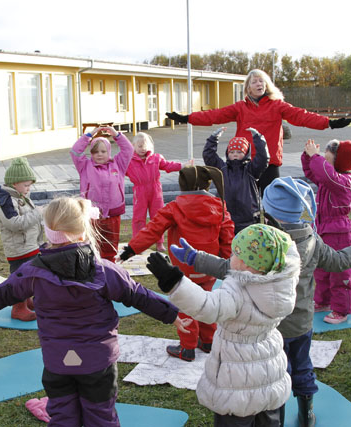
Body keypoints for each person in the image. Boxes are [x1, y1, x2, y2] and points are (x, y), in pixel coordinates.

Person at [0, 196, 187, 426]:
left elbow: (6, 291)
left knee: (63, 416)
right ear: (84, 231)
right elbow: (137, 294)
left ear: (48, 232)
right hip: (98, 362)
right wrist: (171, 314)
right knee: (101, 414)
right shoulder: (105, 270)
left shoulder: (31, 271)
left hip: (58, 362)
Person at [148, 224, 300, 426]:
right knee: (268, 416)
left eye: (236, 253)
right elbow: (228, 267)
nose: (231, 257)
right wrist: (196, 258)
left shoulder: (238, 292)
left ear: (247, 265)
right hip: (269, 368)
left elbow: (208, 306)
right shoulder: (277, 284)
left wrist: (175, 282)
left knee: (236, 416)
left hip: (236, 377)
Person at [260, 176, 351, 427]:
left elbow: (233, 269)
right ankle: (306, 415)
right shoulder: (312, 240)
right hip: (302, 324)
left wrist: (198, 260)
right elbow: (339, 261)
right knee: (302, 368)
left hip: (272, 326)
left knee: (274, 375)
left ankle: (275, 420)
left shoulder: (263, 244)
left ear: (269, 214)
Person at [166, 69, 351, 193]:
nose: (258, 83)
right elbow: (214, 115)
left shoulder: (277, 106)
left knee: (272, 206)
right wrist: (187, 118)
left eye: (261, 80)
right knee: (245, 206)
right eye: (254, 81)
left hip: (269, 164)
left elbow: (302, 116)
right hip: (244, 164)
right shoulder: (240, 108)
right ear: (248, 87)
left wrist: (329, 123)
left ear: (267, 85)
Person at [119, 165, 234, 361]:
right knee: (206, 300)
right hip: (209, 267)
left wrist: (131, 249)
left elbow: (152, 230)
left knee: (187, 304)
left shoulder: (174, 207)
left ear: (183, 186)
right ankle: (208, 341)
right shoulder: (219, 207)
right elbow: (228, 238)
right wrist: (225, 264)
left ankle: (187, 347)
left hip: (183, 269)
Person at [302, 139, 351, 324]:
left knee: (339, 273)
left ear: (340, 160)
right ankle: (323, 301)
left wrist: (316, 157)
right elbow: (313, 172)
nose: (324, 157)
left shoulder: (345, 180)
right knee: (321, 269)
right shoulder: (330, 176)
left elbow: (325, 174)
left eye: (329, 154)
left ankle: (341, 310)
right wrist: (308, 156)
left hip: (340, 233)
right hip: (323, 229)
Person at [0, 157, 44, 321]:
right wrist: (37, 213)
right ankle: (18, 308)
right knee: (20, 279)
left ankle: (26, 301)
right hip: (19, 248)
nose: (28, 188)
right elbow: (14, 223)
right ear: (14, 184)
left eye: (30, 184)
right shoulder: (7, 202)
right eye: (26, 185)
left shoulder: (20, 195)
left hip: (29, 245)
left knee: (30, 276)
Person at [70, 126, 133, 262]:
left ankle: (110, 269)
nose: (99, 154)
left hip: (113, 213)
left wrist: (116, 134)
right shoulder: (84, 166)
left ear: (109, 151)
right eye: (95, 151)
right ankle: (93, 270)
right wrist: (89, 135)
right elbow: (75, 151)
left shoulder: (118, 164)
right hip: (91, 214)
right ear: (91, 153)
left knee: (110, 246)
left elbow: (128, 149)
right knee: (91, 246)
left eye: (103, 151)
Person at [126, 132, 184, 252]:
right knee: (138, 219)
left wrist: (182, 166)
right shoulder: (129, 161)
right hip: (140, 191)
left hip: (155, 190)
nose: (143, 149)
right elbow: (117, 169)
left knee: (157, 217)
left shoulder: (156, 158)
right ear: (133, 146)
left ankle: (159, 242)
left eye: (145, 145)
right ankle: (138, 244)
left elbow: (168, 165)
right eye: (140, 146)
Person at [203, 126, 269, 232]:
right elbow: (209, 156)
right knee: (227, 246)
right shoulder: (222, 168)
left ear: (246, 153)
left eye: (239, 152)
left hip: (248, 219)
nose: (235, 155)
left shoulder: (251, 169)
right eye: (232, 152)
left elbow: (263, 158)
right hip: (225, 218)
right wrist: (213, 138)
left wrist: (257, 138)